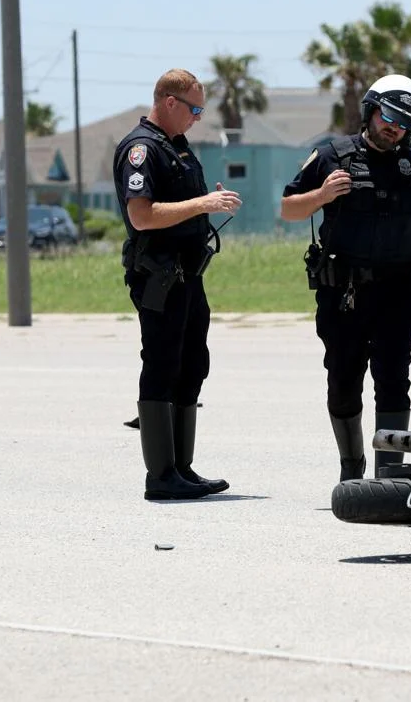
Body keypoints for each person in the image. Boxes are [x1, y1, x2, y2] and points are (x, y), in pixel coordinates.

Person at [280, 74, 411, 482]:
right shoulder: (330, 156)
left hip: (399, 291)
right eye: (389, 115)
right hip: (344, 293)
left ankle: (389, 477)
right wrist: (321, 196)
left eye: (405, 122)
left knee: (394, 378)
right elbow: (288, 209)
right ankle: (351, 468)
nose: (395, 127)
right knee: (343, 379)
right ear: (371, 110)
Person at [114, 68, 242, 501]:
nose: (197, 117)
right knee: (162, 364)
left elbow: (183, 208)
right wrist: (203, 203)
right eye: (194, 109)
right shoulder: (141, 150)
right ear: (169, 102)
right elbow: (142, 216)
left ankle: (182, 469)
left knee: (192, 365)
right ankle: (160, 476)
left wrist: (207, 205)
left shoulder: (178, 148)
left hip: (189, 274)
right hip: (160, 277)